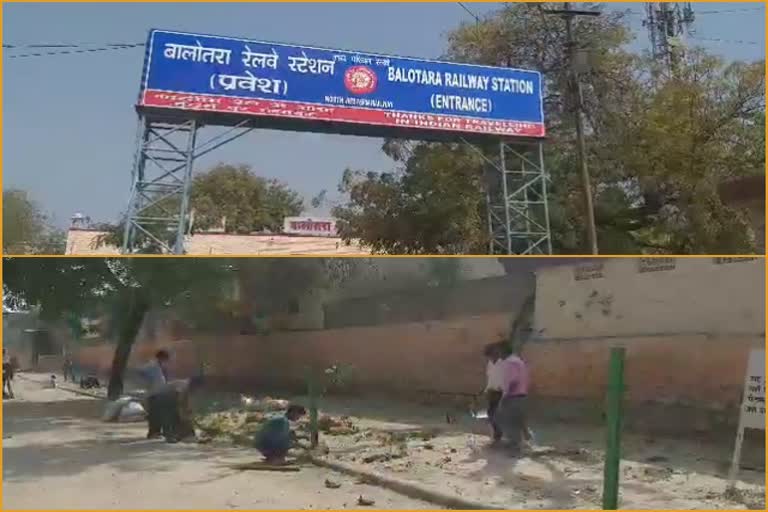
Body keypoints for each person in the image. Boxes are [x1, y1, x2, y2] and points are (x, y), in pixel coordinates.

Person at [145, 376, 204, 444]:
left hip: (155, 396)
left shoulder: (187, 385)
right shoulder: (185, 387)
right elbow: (181, 404)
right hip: (159, 397)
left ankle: (156, 433)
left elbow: (186, 406)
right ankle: (171, 435)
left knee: (160, 415)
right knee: (169, 415)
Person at [494, 347, 530, 454]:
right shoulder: (518, 361)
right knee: (517, 420)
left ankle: (515, 447)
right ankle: (523, 441)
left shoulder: (511, 362)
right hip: (520, 394)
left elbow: (512, 380)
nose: (498, 355)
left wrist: (504, 395)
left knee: (510, 421)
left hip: (512, 395)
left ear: (503, 352)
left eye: (499, 352)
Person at [140, 350, 171, 439]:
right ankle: (153, 433)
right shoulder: (152, 365)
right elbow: (141, 372)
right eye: (165, 359)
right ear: (161, 358)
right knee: (154, 415)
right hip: (153, 393)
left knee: (159, 414)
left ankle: (157, 432)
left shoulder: (159, 366)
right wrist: (147, 383)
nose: (166, 362)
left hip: (159, 393)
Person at [483, 342, 505, 444]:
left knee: (498, 414)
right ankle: (497, 435)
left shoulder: (503, 364)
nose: (490, 358)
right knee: (490, 413)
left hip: (502, 392)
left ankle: (501, 435)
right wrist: (487, 390)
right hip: (492, 392)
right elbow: (490, 378)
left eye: (491, 355)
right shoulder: (490, 364)